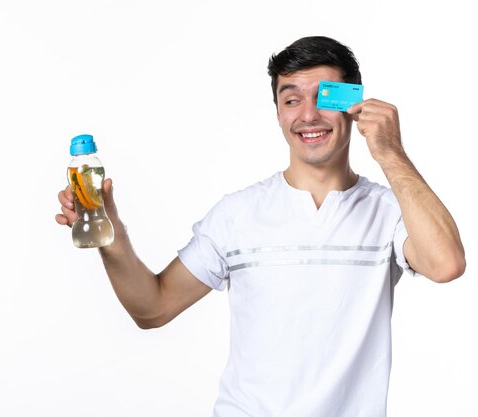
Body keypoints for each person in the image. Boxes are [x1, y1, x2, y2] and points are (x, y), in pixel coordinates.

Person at [56, 36, 465, 417]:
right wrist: (109, 234)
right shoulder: (237, 215)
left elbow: (445, 264)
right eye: (291, 100)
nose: (308, 115)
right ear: (277, 112)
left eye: (325, 97)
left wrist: (390, 153)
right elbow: (152, 309)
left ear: (353, 104)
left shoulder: (390, 211)